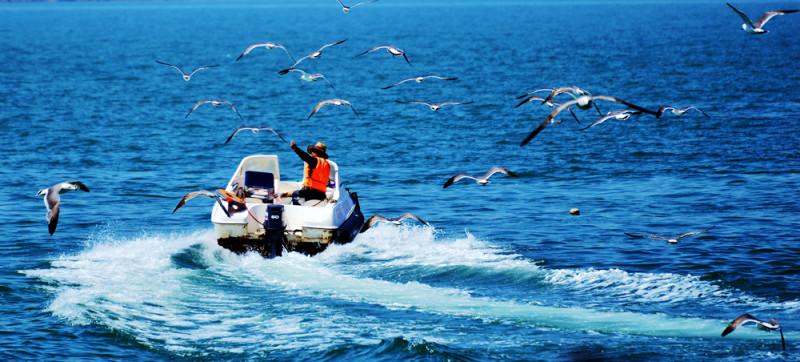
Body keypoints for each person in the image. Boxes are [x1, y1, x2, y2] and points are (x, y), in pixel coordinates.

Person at [288, 140, 331, 205]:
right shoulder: (327, 164)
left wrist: (295, 148)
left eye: (313, 151)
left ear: (318, 152)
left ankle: (299, 211)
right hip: (321, 194)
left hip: (311, 191)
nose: (311, 153)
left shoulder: (315, 161)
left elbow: (305, 156)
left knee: (296, 194)